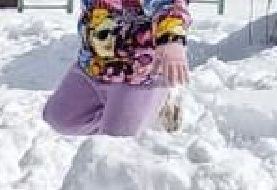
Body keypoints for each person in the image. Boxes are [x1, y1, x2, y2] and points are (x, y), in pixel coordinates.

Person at [42, 0, 189, 138]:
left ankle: (154, 104)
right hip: (93, 65)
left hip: (137, 75)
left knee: (113, 144)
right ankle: (124, 115)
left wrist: (171, 39)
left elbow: (168, 4)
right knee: (59, 118)